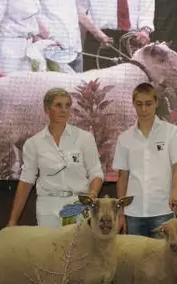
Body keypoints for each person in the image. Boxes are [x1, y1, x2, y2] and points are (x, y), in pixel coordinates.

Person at [7, 87, 104, 229]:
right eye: (58, 105)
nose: (64, 110)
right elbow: (26, 181)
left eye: (67, 105)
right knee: (49, 250)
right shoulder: (33, 143)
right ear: (47, 110)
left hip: (78, 205)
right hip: (47, 207)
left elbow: (96, 172)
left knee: (76, 250)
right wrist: (13, 220)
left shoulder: (85, 138)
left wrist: (91, 196)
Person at [112, 83, 177, 236]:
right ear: (133, 104)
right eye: (139, 104)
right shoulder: (124, 138)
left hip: (163, 210)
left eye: (148, 104)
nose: (144, 109)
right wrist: (120, 213)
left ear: (156, 103)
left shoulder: (171, 132)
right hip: (133, 213)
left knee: (163, 260)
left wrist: (176, 195)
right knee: (135, 260)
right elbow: (122, 177)